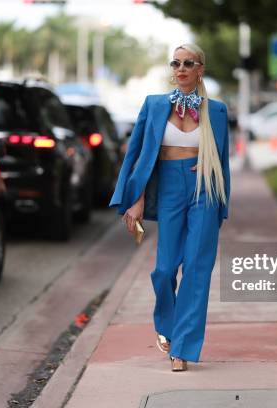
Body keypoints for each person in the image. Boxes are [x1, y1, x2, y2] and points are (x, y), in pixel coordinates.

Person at [108, 43, 231, 372]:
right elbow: (136, 155)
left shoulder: (216, 111)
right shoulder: (154, 105)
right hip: (170, 189)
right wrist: (134, 198)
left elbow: (224, 160)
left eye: (188, 63)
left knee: (196, 270)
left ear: (199, 69)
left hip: (205, 189)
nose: (181, 68)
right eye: (176, 62)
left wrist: (221, 202)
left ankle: (183, 348)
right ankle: (169, 325)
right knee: (164, 271)